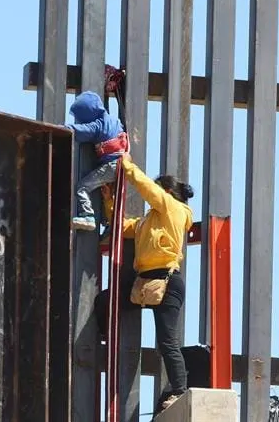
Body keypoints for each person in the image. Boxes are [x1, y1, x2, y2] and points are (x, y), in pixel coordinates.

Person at [94, 153, 194, 413]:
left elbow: (149, 190)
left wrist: (126, 165)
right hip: (146, 282)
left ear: (168, 192)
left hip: (167, 282)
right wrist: (109, 202)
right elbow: (123, 227)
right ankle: (104, 337)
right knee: (106, 300)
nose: (152, 200)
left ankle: (180, 389)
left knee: (167, 341)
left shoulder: (174, 209)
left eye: (159, 192)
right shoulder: (149, 221)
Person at [65, 91, 129, 231]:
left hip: (111, 166)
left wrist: (64, 128)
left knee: (82, 187)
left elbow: (80, 130)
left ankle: (87, 216)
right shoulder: (115, 121)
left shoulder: (98, 125)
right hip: (122, 166)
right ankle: (107, 222)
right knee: (108, 194)